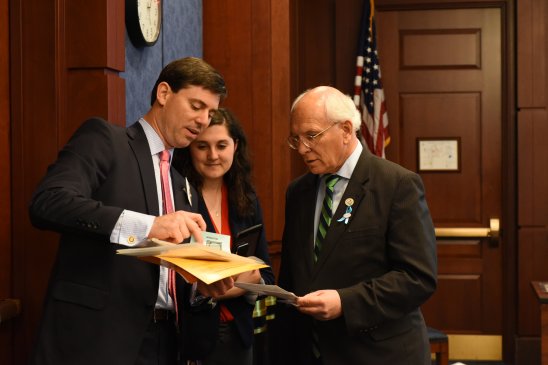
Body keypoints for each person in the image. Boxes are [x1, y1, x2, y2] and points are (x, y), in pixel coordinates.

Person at [28, 57, 235, 365]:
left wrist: (200, 287)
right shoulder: (106, 140)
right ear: (164, 94)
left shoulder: (183, 185)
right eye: (196, 106)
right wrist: (148, 226)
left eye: (210, 112)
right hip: (99, 341)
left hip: (167, 344)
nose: (204, 120)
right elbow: (48, 202)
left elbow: (172, 274)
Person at [270, 86, 437, 365]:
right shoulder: (298, 192)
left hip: (378, 354)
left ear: (346, 130)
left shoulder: (396, 185)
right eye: (296, 139)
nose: (302, 149)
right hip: (310, 352)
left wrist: (345, 303)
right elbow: (292, 273)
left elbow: (417, 278)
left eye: (311, 136)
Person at [174, 108, 275, 365]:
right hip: (187, 337)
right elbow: (168, 276)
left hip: (239, 335)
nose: (213, 155)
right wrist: (229, 286)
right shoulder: (174, 198)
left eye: (221, 145)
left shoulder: (247, 200)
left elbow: (265, 272)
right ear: (189, 148)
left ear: (235, 146)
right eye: (202, 146)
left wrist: (248, 279)